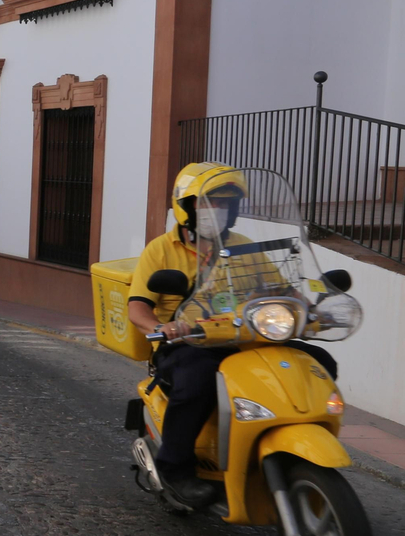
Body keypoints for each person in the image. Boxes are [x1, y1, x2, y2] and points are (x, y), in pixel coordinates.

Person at [127, 163, 337, 510]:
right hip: (186, 344)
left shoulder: (243, 246)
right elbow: (138, 308)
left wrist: (311, 310)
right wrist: (162, 329)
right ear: (186, 207)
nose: (218, 211)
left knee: (319, 364)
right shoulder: (161, 250)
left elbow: (282, 288)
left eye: (226, 204)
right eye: (209, 203)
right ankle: (175, 469)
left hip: (246, 340)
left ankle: (284, 448)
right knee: (197, 381)